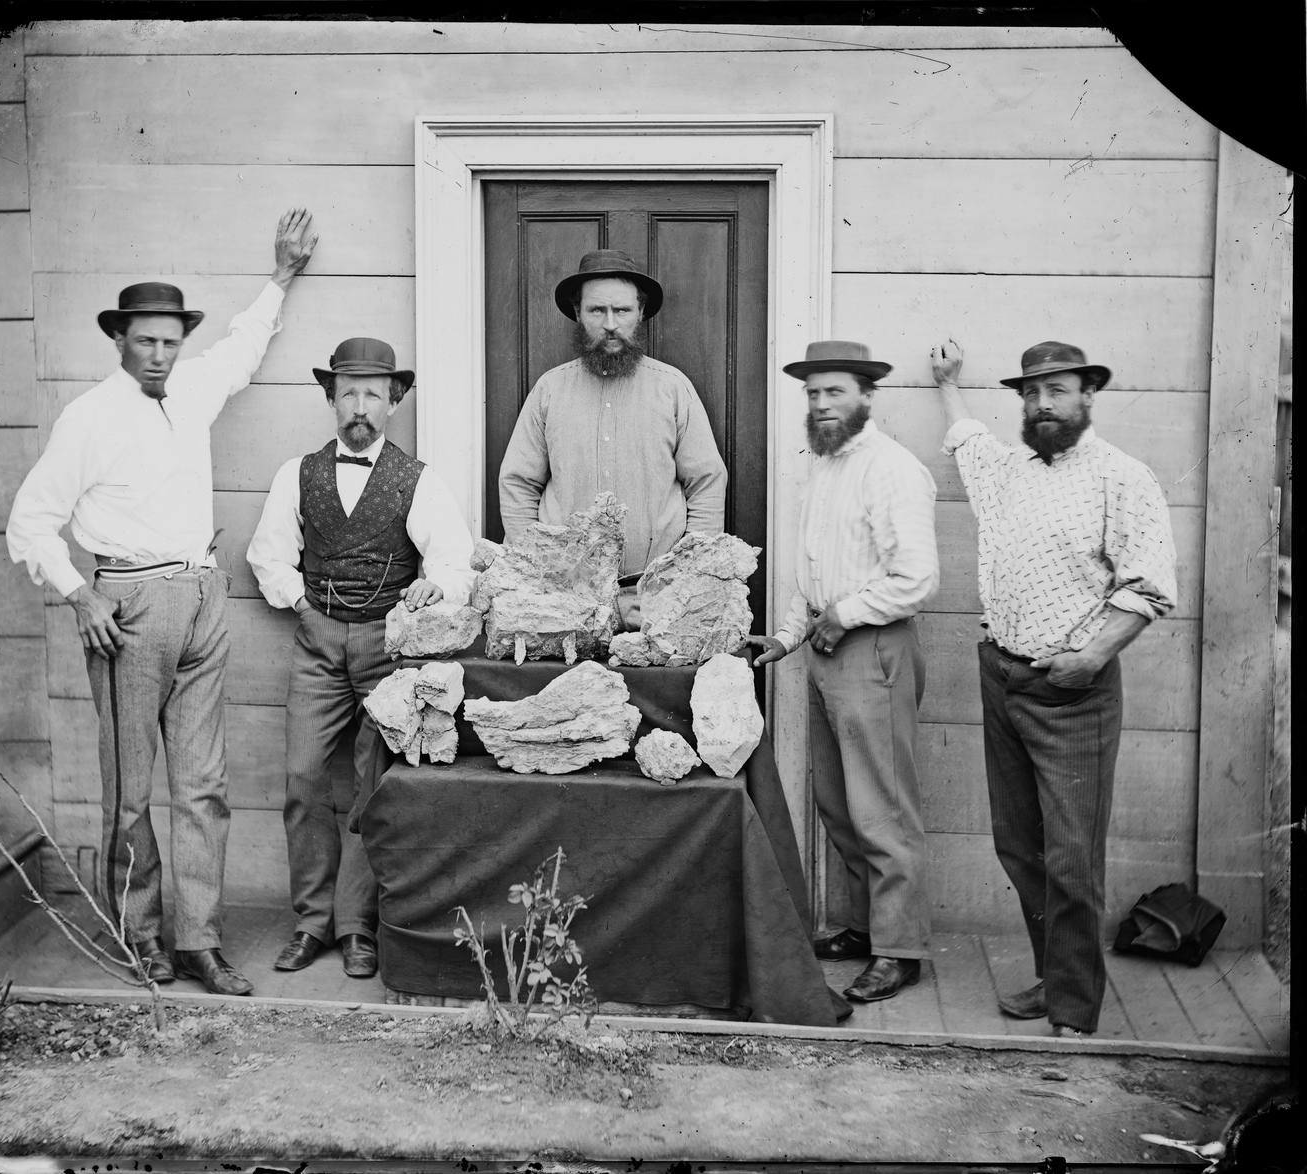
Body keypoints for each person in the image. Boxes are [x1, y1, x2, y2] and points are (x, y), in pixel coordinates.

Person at [6, 209, 319, 996]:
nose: (158, 354)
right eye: (145, 341)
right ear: (119, 341)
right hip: (128, 607)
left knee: (203, 786)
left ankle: (198, 941)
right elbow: (30, 523)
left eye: (170, 340)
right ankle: (139, 935)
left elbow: (243, 348)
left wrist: (280, 275)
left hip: (203, 596)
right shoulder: (89, 417)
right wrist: (81, 596)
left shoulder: (193, 386)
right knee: (131, 789)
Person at [932, 338, 1178, 1037]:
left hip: (1072, 692)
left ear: (1087, 395)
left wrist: (1091, 657)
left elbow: (1149, 584)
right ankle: (1056, 976)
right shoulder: (1005, 472)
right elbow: (967, 439)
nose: (1043, 403)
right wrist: (949, 383)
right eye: (1032, 392)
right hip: (1001, 677)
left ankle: (1073, 1017)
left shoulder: (1121, 477)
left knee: (1071, 858)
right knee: (1019, 846)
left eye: (1058, 390)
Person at [246, 337, 476, 978]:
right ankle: (312, 921)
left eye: (374, 393)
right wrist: (305, 609)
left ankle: (357, 928)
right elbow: (267, 556)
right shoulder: (297, 474)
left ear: (394, 400)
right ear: (330, 397)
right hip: (317, 644)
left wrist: (435, 587)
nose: (360, 405)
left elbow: (455, 562)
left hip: (387, 651)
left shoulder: (418, 479)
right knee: (302, 777)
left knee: (373, 786)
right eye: (348, 391)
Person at [747, 341, 940, 1004]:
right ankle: (863, 929)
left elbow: (917, 579)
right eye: (813, 394)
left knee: (882, 806)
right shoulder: (825, 468)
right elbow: (812, 573)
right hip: (828, 654)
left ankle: (899, 949)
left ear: (865, 395)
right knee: (839, 802)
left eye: (835, 392)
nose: (822, 405)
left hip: (875, 651)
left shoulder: (893, 470)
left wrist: (846, 615)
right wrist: (787, 636)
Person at [497, 249, 728, 621]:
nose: (610, 324)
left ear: (640, 314)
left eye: (621, 311)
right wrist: (540, 569)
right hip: (565, 600)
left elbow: (707, 482)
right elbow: (517, 485)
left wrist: (683, 577)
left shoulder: (672, 389)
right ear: (577, 313)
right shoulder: (549, 390)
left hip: (656, 597)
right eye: (596, 310)